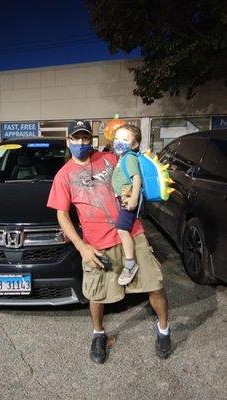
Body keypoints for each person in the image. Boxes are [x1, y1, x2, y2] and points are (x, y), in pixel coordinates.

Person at [47, 120, 171, 364]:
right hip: (97, 244)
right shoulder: (63, 176)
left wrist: (133, 192)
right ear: (68, 141)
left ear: (91, 139)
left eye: (85, 138)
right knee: (96, 295)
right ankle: (98, 333)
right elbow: (62, 215)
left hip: (132, 233)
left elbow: (133, 173)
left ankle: (164, 329)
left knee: (155, 285)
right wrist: (82, 247)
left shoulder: (110, 158)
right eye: (76, 138)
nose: (81, 143)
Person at [111, 124, 143, 286]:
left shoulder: (130, 157)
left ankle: (130, 264)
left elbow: (136, 178)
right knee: (122, 229)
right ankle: (129, 261)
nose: (119, 142)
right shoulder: (122, 157)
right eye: (117, 138)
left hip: (129, 198)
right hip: (124, 197)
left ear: (135, 144)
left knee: (122, 229)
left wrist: (134, 199)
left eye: (124, 139)